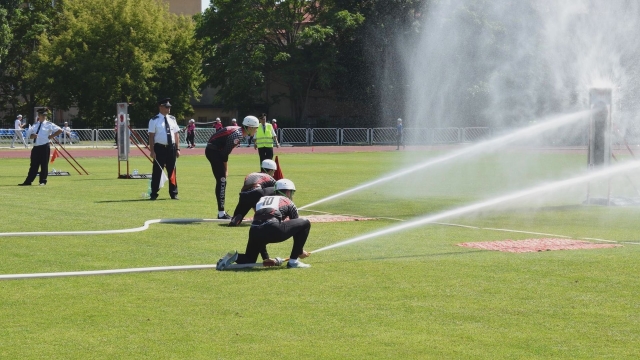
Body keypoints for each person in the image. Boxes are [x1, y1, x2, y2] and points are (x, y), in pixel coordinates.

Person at [217, 179, 312, 270]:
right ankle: (293, 262)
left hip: (254, 231)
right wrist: (299, 252)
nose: (292, 196)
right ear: (287, 192)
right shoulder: (288, 201)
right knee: (305, 223)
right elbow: (298, 229)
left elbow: (262, 226)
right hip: (273, 229)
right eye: (292, 193)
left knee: (249, 259)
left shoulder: (262, 200)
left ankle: (235, 256)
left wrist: (266, 258)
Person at [205, 115, 259, 219]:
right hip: (214, 151)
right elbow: (224, 154)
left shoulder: (239, 132)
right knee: (222, 180)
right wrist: (226, 170)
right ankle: (221, 214)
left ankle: (221, 212)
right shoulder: (237, 135)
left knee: (222, 180)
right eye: (255, 128)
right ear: (250, 127)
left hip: (214, 150)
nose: (256, 131)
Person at [18, 108, 62, 186]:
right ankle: (28, 181)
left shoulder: (49, 124)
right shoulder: (35, 125)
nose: (44, 116)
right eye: (42, 115)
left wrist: (51, 136)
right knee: (33, 165)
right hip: (36, 147)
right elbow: (30, 136)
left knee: (44, 164)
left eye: (45, 115)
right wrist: (33, 136)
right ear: (39, 115)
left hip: (44, 146)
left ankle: (42, 181)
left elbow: (60, 130)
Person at [228, 159, 278, 227]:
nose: (274, 174)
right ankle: (274, 214)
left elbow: (250, 193)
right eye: (274, 171)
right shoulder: (268, 177)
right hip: (257, 193)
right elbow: (280, 188)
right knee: (277, 190)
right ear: (271, 170)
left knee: (238, 216)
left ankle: (235, 220)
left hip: (243, 195)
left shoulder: (250, 174)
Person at [148, 98, 181, 200]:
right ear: (161, 107)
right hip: (160, 148)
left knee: (172, 171)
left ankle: (174, 193)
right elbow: (151, 136)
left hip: (171, 148)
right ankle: (154, 193)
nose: (169, 108)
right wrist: (152, 151)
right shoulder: (154, 120)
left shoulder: (172, 119)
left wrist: (177, 149)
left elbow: (176, 134)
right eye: (167, 107)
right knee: (157, 171)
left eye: (169, 107)